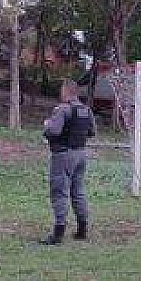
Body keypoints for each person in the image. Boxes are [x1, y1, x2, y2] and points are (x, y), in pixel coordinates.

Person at [41, 79, 96, 245]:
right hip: (81, 154)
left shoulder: (62, 109)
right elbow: (92, 132)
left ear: (65, 91)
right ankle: (82, 229)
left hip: (63, 155)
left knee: (60, 192)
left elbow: (53, 131)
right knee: (78, 191)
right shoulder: (86, 110)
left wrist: (47, 124)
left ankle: (58, 232)